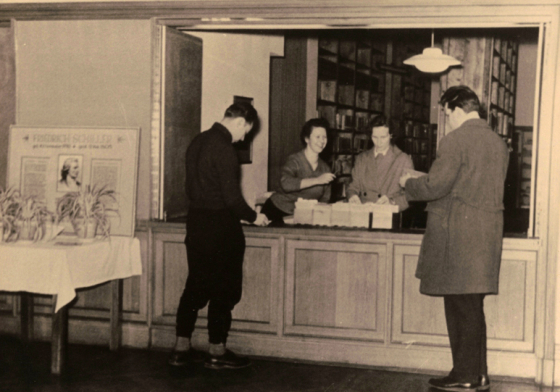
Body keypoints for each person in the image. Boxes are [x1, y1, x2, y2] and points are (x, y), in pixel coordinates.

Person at [399, 85, 509, 391]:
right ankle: (479, 373)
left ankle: (464, 375)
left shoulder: (455, 140)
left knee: (460, 307)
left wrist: (409, 181)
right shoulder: (498, 143)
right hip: (485, 236)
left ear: (457, 110)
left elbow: (436, 187)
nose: (447, 121)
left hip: (458, 236)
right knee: (472, 306)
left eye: (447, 114)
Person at [168, 102, 269, 370]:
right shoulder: (225, 149)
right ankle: (217, 350)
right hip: (221, 227)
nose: (243, 138)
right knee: (224, 288)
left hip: (197, 223)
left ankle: (181, 348)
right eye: (245, 131)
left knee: (196, 285)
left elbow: (190, 187)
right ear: (239, 123)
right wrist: (254, 217)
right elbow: (233, 199)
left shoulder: (198, 141)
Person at [261, 118, 335, 224]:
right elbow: (286, 183)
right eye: (317, 137)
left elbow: (325, 199)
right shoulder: (295, 160)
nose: (322, 141)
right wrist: (317, 180)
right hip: (277, 212)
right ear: (307, 139)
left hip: (302, 217)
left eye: (324, 137)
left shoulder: (325, 168)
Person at [347, 115, 413, 211]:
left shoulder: (403, 160)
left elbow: (410, 195)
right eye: (375, 137)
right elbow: (353, 186)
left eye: (383, 137)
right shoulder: (362, 158)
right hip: (363, 214)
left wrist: (392, 202)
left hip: (389, 215)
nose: (378, 142)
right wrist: (352, 196)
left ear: (391, 135)